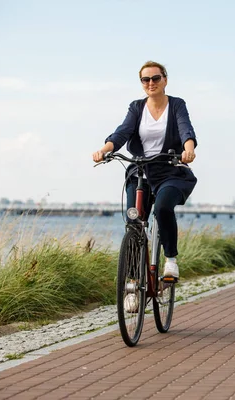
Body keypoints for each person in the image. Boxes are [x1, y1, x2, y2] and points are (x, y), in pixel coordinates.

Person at [92, 60, 198, 280]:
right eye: (146, 79)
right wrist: (104, 150)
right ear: (142, 83)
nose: (151, 83)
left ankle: (170, 260)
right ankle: (132, 283)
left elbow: (185, 129)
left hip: (169, 169)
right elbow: (122, 133)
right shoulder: (136, 107)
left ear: (165, 80)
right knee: (134, 223)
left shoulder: (176, 105)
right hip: (140, 171)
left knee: (162, 208)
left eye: (156, 78)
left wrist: (188, 149)